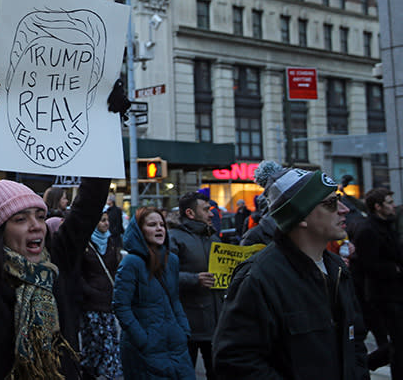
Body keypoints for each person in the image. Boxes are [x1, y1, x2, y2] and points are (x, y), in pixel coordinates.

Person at [0, 74, 126, 379]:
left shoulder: (58, 265)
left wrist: (107, 122)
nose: (36, 226)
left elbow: (89, 203)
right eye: (20, 219)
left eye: (39, 216)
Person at [213, 160, 369, 378]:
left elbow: (355, 340)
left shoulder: (337, 268)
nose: (344, 210)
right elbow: (235, 361)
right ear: (301, 215)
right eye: (331, 203)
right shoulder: (259, 277)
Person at [113, 207, 195, 379]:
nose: (159, 228)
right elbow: (121, 306)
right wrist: (142, 339)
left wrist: (183, 330)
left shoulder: (171, 260)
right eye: (152, 224)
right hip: (145, 347)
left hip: (175, 343)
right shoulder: (131, 263)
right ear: (139, 231)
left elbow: (174, 300)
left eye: (161, 224)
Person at [170, 191, 223, 380]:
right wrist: (194, 279)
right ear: (190, 214)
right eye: (206, 210)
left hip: (214, 325)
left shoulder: (214, 239)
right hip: (187, 326)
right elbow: (164, 276)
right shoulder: (174, 238)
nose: (211, 214)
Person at [353, 187, 401, 375]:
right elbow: (369, 264)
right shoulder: (368, 230)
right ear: (377, 206)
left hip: (394, 292)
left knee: (396, 342)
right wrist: (394, 269)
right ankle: (365, 364)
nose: (393, 206)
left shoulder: (388, 225)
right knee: (397, 343)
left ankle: (365, 364)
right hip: (384, 295)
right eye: (389, 202)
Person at [79, 212, 123, 379]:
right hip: (91, 303)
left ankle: (109, 372)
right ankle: (90, 371)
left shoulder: (110, 242)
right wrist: (90, 292)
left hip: (108, 300)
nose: (106, 224)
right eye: (102, 220)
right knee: (94, 342)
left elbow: (115, 268)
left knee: (110, 340)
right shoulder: (85, 244)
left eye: (107, 220)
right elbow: (78, 274)